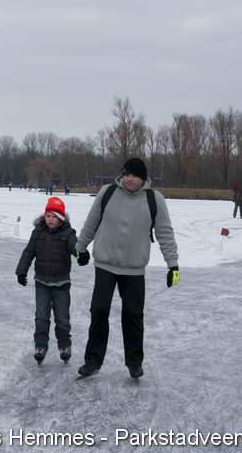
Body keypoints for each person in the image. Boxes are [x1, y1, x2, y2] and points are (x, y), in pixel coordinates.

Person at [75, 158, 179, 379]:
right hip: (105, 265)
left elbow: (165, 233)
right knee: (99, 311)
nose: (130, 179)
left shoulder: (154, 200)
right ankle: (93, 360)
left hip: (134, 269)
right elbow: (91, 222)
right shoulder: (107, 192)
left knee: (133, 315)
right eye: (127, 174)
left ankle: (134, 362)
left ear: (144, 178)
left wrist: (173, 265)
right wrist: (80, 248)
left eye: (135, 175)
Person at [16, 197, 86, 364]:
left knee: (62, 318)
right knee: (41, 317)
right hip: (42, 282)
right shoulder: (38, 233)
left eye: (54, 216)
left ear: (61, 218)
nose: (50, 219)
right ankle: (40, 346)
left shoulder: (68, 233)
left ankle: (64, 345)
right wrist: (21, 271)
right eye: (48, 216)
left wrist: (81, 255)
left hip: (61, 284)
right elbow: (28, 252)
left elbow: (75, 247)